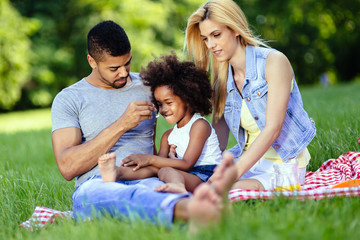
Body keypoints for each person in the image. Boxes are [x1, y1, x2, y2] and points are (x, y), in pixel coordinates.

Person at [51, 20, 237, 229]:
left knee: (155, 190)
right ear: (92, 61)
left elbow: (169, 133)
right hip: (97, 184)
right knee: (115, 195)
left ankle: (192, 215)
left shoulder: (150, 87)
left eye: (127, 63)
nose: (123, 72)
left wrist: (169, 159)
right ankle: (192, 209)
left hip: (147, 176)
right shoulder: (69, 99)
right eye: (114, 68)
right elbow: (67, 168)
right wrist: (122, 124)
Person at [184, 0, 316, 190]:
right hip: (247, 161)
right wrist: (194, 161)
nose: (210, 44)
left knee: (215, 190)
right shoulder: (222, 80)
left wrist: (232, 174)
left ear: (235, 29)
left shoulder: (273, 62)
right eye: (205, 38)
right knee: (191, 180)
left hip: (284, 164)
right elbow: (217, 141)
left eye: (216, 35)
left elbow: (273, 129)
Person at [99, 54, 223, 194]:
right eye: (159, 104)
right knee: (157, 169)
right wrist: (148, 160)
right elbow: (158, 164)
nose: (163, 109)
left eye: (169, 102)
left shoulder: (199, 125)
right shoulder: (167, 136)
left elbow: (187, 164)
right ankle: (117, 172)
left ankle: (177, 187)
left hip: (207, 177)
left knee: (164, 170)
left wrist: (149, 158)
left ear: (188, 98)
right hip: (186, 174)